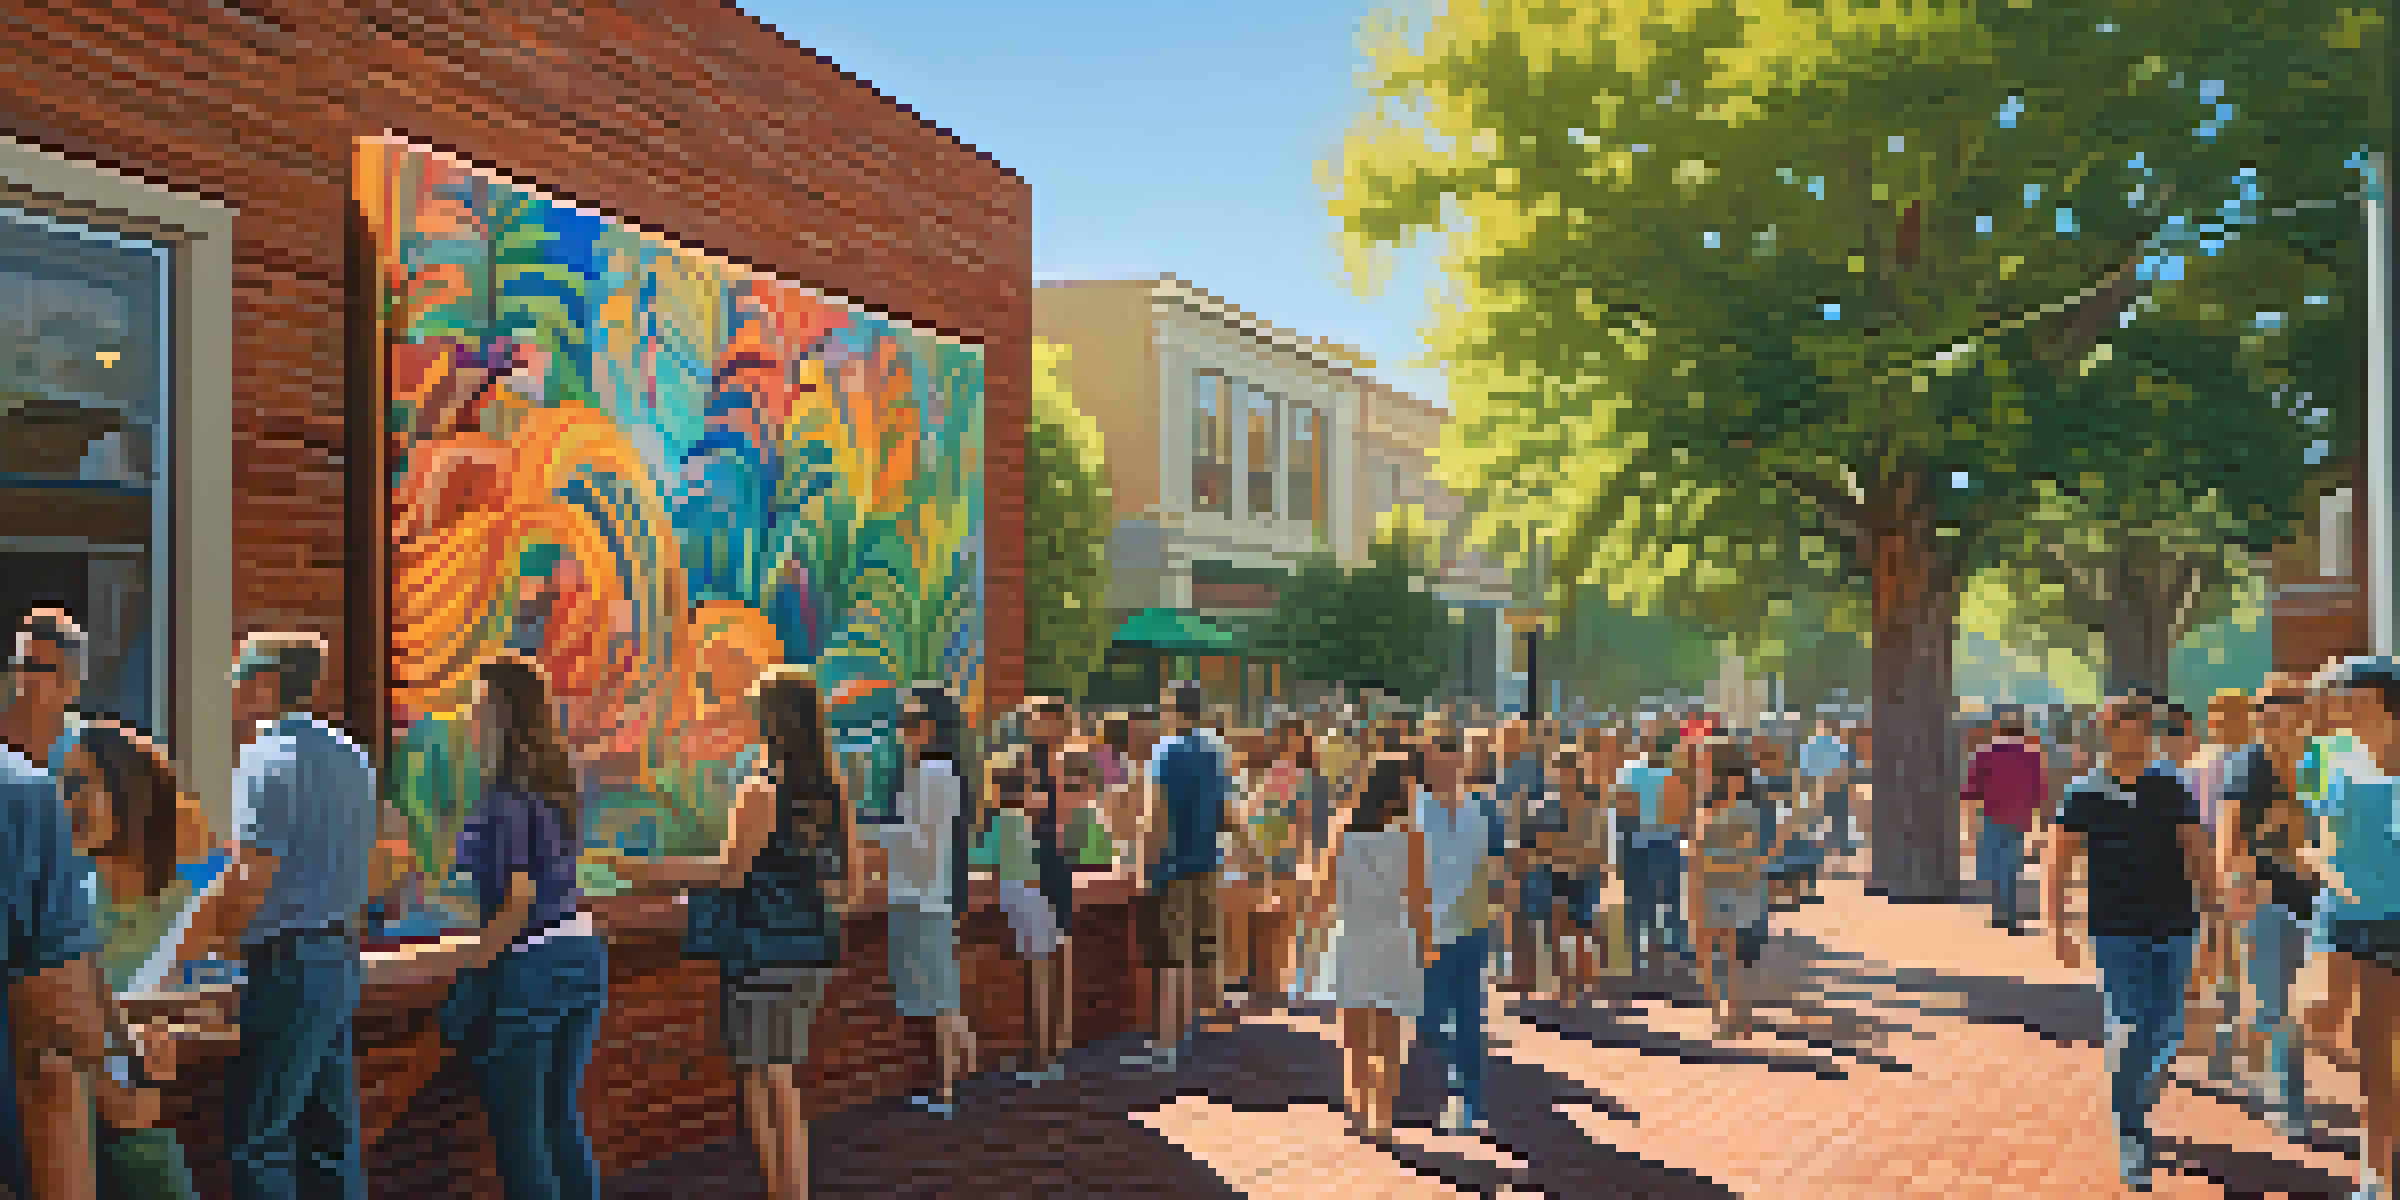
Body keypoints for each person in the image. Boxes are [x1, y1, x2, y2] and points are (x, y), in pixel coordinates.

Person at [598, 664, 863, 1199]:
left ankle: (785, 1191)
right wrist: (804, 892)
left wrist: (642, 871)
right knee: (778, 1073)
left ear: (773, 718)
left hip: (761, 946)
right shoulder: (833, 788)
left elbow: (728, 872)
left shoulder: (761, 787)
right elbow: (850, 886)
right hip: (813, 948)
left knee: (765, 1077)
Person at [174, 632, 376, 1200]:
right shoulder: (351, 754)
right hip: (338, 961)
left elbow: (251, 875)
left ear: (265, 684)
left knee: (261, 1141)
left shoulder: (267, 754)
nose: (232, 687)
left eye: (239, 676)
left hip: (286, 968)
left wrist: (203, 949)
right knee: (331, 1141)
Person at [421, 655, 609, 1200]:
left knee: (522, 1136)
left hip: (533, 970)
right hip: (581, 957)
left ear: (503, 717)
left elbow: (518, 904)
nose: (468, 719)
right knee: (559, 1122)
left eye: (478, 707)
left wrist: (471, 963)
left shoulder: (502, 802)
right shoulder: (554, 789)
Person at [2044, 691, 2218, 1193]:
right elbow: (2058, 863)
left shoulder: (2171, 786)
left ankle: (2137, 1092)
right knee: (2126, 1026)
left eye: (2147, 722)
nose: (2139, 730)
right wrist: (2059, 928)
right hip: (2115, 931)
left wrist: (2216, 919)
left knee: (2167, 1030)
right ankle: (2132, 1133)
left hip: (2177, 928)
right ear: (2107, 727)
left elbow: (2199, 853)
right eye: (2128, 721)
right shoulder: (2082, 792)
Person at [50, 718, 213, 1200]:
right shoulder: (66, 906)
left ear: (128, 793)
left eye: (80, 784)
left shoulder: (195, 906)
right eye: (62, 787)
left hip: (168, 1121)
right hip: (86, 1121)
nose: (66, 802)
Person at [0, 609, 110, 1200]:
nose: (24, 683)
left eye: (39, 669)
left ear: (71, 682)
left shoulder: (84, 759)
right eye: (19, 666)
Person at [2300, 659, 2400, 1200]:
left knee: (2379, 1052)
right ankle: (2378, 1168)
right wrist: (2327, 871)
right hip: (2348, 919)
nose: (2345, 709)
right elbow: (2316, 839)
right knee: (2326, 1028)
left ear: (2387, 706)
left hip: (2392, 922)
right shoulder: (2332, 760)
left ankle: (2376, 1173)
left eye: (2356, 700)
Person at [2218, 683, 2316, 1139]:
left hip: (2324, 899)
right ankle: (2287, 1100)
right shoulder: (2248, 765)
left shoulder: (2322, 763)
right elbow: (2229, 831)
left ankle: (2251, 1049)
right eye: (2270, 715)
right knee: (2281, 1002)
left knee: (2312, 1002)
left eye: (2289, 714)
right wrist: (2235, 887)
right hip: (2267, 897)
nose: (2280, 724)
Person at [881, 685, 977, 1117]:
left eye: (913, 723)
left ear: (936, 728)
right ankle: (956, 1078)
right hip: (925, 894)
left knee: (937, 995)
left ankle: (945, 1089)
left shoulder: (934, 774)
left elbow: (927, 843)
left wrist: (879, 833)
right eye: (901, 722)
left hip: (924, 895)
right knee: (941, 993)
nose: (904, 731)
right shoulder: (928, 772)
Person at [1331, 754, 1432, 1144]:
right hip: (1393, 935)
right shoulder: (1411, 835)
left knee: (1355, 1036)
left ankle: (1357, 1111)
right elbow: (1419, 899)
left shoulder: (1342, 829)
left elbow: (1324, 894)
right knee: (1389, 1037)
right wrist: (1424, 945)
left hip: (1354, 934)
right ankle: (1383, 1118)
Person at [1414, 725, 1502, 1136]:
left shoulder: (1483, 808)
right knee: (1428, 1020)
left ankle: (1466, 1099)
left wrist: (1493, 910)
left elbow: (1498, 868)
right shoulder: (1410, 806)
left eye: (1448, 756)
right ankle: (1430, 1095)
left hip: (1470, 930)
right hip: (1425, 931)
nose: (1442, 766)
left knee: (1468, 1017)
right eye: (1434, 757)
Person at [1136, 683, 1228, 1073]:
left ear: (1173, 710)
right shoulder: (1215, 752)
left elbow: (1156, 816)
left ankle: (1166, 1043)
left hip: (1173, 865)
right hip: (1208, 862)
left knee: (1170, 958)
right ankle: (1183, 1034)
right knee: (1193, 954)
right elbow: (1224, 809)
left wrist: (1144, 869)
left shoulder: (1165, 752)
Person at [1688, 739, 1768, 1040]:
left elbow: (1746, 855)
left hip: (1726, 888)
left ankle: (1732, 1016)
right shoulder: (1710, 807)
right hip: (1714, 887)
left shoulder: (1740, 810)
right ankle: (1728, 1015)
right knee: (1715, 954)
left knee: (1726, 955)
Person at [1962, 706, 2047, 934]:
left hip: (1992, 816)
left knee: (1994, 863)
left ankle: (2000, 911)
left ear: (1999, 729)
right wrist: (2039, 824)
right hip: (2019, 818)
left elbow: (1972, 790)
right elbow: (2039, 793)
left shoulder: (1986, 752)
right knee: (2011, 865)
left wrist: (1970, 825)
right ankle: (2009, 914)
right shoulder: (2032, 756)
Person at [1618, 734, 1689, 976]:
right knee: (1670, 906)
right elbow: (1683, 817)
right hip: (1666, 846)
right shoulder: (1673, 777)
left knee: (1640, 908)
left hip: (1637, 847)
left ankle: (1638, 963)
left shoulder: (1630, 773)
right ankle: (1675, 960)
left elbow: (1623, 812)